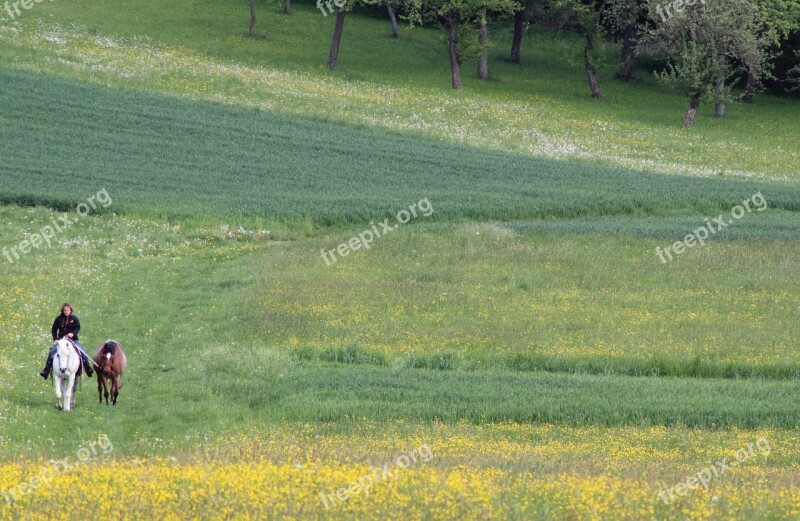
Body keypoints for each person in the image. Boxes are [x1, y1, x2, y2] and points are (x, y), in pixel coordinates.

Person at [39, 303, 94, 379]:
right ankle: (46, 370)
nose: (66, 312)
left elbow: (77, 328)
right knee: (52, 351)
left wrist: (73, 333)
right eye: (65, 310)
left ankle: (88, 368)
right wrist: (55, 339)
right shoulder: (58, 319)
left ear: (70, 310)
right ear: (62, 311)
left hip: (73, 340)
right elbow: (54, 330)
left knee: (82, 351)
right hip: (61, 341)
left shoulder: (74, 318)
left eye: (68, 310)